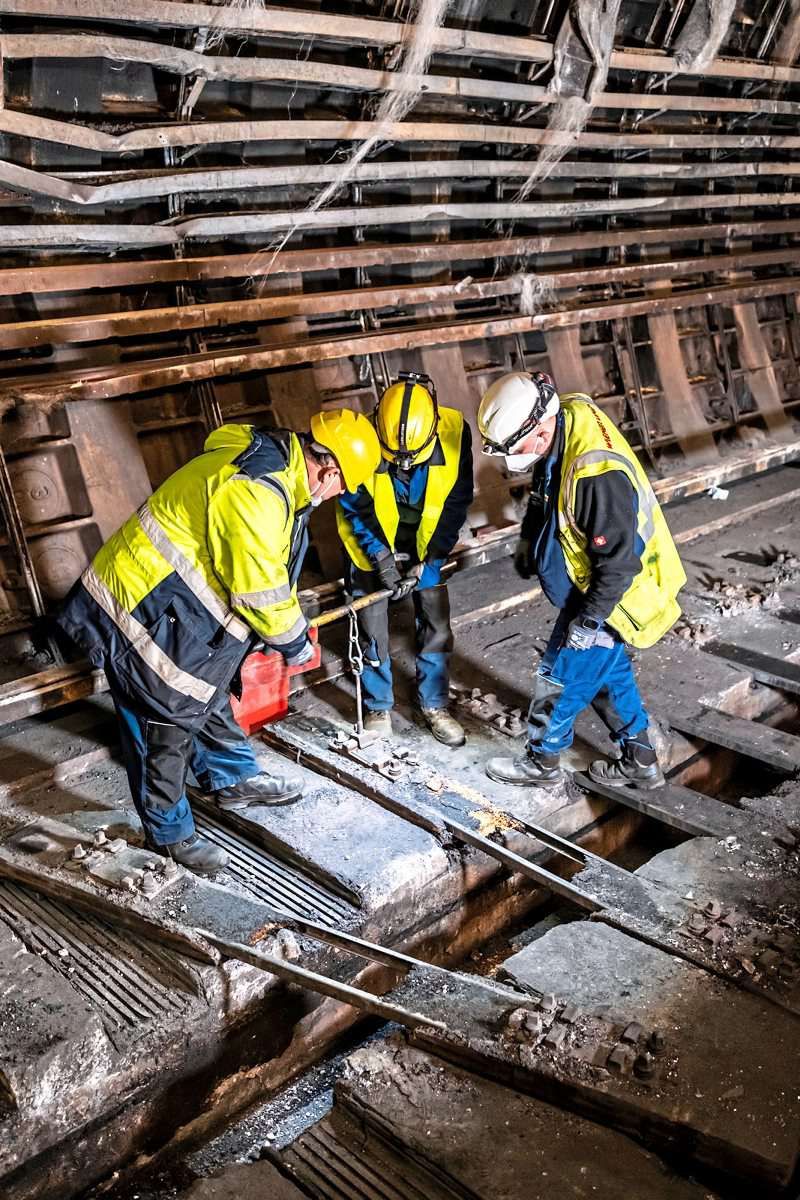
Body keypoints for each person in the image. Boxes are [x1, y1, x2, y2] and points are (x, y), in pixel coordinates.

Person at [55, 411, 382, 874]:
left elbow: (266, 567)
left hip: (168, 600)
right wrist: (295, 642)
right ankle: (169, 834)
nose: (338, 497)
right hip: (138, 606)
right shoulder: (256, 490)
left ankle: (231, 777)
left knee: (204, 688)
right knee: (162, 717)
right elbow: (259, 588)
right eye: (343, 488)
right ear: (329, 472)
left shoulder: (274, 467)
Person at [476, 371, 686, 789]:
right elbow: (548, 485)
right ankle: (640, 760)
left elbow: (620, 563)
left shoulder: (596, 473)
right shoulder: (567, 415)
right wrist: (529, 541)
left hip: (618, 594)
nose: (511, 458)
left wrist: (588, 622)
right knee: (609, 673)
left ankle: (541, 761)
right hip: (596, 582)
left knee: (559, 674)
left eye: (514, 447)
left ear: (539, 427)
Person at [336, 371, 474, 746]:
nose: (405, 465)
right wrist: (380, 557)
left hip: (425, 541)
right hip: (372, 539)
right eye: (396, 460)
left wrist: (430, 560)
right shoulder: (360, 439)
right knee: (371, 625)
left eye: (413, 459)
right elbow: (354, 505)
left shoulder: (454, 431)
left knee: (436, 623)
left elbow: (456, 502)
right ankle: (379, 703)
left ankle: (433, 703)